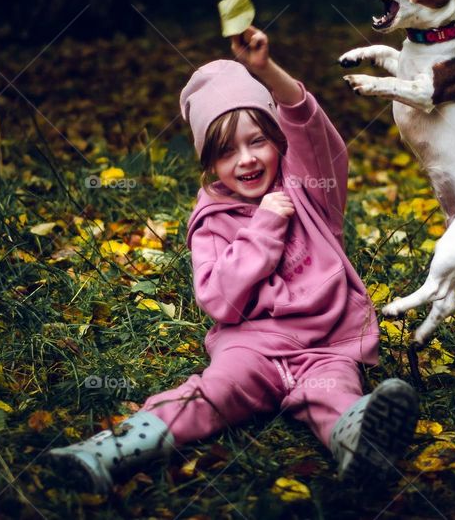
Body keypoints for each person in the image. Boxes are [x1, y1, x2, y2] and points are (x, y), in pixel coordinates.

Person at [47, 27, 419, 493]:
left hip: (326, 347)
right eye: (226, 151)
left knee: (336, 394)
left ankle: (359, 443)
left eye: (257, 141)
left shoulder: (310, 188)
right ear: (209, 163)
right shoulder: (212, 220)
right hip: (251, 349)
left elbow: (310, 126)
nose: (245, 159)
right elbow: (219, 300)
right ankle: (106, 451)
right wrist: (262, 228)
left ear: (277, 140)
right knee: (210, 394)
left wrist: (264, 70)